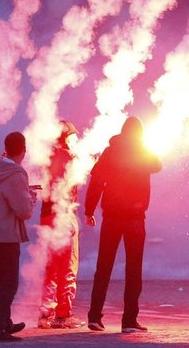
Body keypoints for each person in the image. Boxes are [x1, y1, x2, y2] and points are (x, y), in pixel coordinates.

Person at [83, 117, 162, 333]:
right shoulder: (142, 152)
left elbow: (96, 182)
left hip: (111, 216)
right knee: (133, 268)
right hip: (135, 217)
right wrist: (143, 146)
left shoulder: (110, 152)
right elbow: (158, 165)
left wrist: (89, 210)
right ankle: (129, 321)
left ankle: (94, 317)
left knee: (104, 266)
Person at [0, 131, 35, 343]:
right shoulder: (16, 174)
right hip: (5, 236)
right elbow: (24, 211)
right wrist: (31, 198)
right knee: (9, 283)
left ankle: (4, 322)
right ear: (24, 149)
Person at [38, 120, 85, 329]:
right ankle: (63, 315)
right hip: (65, 216)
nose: (76, 140)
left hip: (47, 216)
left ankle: (45, 314)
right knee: (67, 266)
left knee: (50, 268)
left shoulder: (46, 157)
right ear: (66, 137)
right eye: (73, 137)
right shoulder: (70, 157)